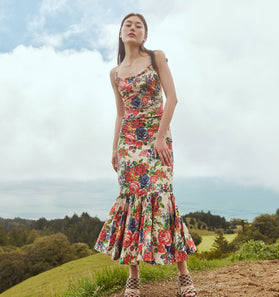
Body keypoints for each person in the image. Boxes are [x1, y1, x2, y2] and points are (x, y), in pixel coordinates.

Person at [94, 13, 197, 297]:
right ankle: (134, 278)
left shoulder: (157, 58)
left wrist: (160, 136)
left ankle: (184, 276)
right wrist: (115, 148)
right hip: (129, 144)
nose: (133, 28)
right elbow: (120, 113)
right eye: (128, 24)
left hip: (157, 138)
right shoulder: (114, 73)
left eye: (138, 25)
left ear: (144, 35)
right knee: (131, 204)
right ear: (120, 33)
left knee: (162, 198)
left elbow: (172, 98)